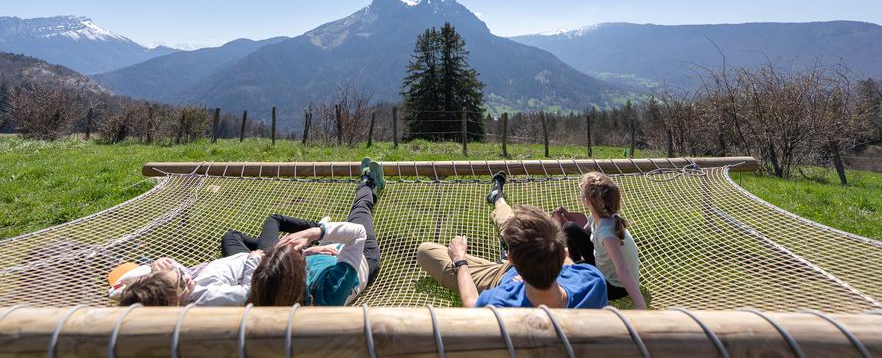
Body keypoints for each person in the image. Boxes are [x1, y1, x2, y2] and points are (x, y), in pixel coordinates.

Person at [114, 158, 385, 307]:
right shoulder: (327, 291)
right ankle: (369, 182)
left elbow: (118, 290)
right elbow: (357, 234)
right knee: (360, 212)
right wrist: (316, 234)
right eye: (183, 282)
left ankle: (311, 234)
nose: (188, 279)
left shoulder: (279, 293)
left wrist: (152, 268)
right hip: (357, 259)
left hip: (322, 257)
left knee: (234, 238)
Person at [416, 172, 607, 308]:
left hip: (499, 278)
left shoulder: (501, 301)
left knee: (425, 251)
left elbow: (471, 303)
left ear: (511, 258)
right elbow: (567, 263)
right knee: (511, 224)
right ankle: (498, 198)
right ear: (564, 253)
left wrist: (459, 259)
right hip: (526, 265)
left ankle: (499, 202)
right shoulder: (592, 281)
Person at [248, 157, 385, 306]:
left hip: (326, 248)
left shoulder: (268, 288)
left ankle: (323, 227)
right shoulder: (330, 292)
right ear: (301, 274)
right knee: (360, 209)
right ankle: (369, 183)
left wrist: (308, 252)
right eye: (297, 256)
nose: (300, 253)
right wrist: (313, 233)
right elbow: (358, 234)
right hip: (362, 256)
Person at [560, 172, 646, 308]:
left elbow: (622, 268)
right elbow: (583, 234)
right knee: (570, 228)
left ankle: (574, 274)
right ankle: (575, 268)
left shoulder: (607, 233)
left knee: (570, 229)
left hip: (616, 287)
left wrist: (640, 305)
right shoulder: (599, 216)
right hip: (605, 270)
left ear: (587, 201)